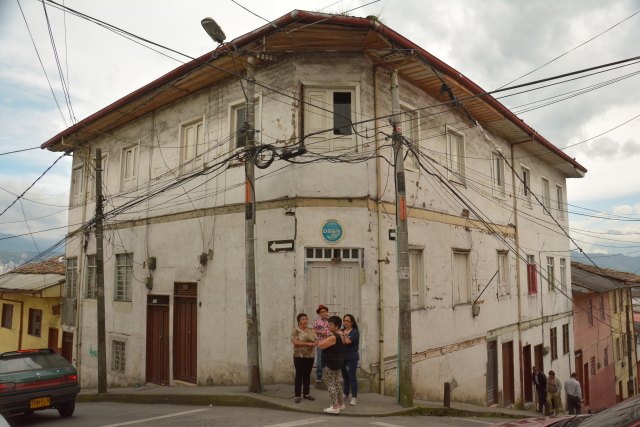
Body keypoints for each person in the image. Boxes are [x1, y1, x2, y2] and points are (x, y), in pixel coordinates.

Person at [318, 315, 345, 414]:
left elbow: (320, 345)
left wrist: (322, 339)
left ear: (337, 326)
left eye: (330, 324)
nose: (328, 326)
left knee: (330, 384)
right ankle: (341, 404)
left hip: (329, 363)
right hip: (337, 362)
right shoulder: (342, 334)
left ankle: (335, 406)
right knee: (337, 383)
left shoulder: (334, 336)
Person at [291, 313, 317, 403]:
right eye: (303, 319)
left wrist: (314, 344)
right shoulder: (296, 330)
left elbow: (316, 340)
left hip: (310, 356)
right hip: (299, 356)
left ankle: (306, 394)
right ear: (299, 321)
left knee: (307, 375)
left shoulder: (311, 330)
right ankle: (297, 395)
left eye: (306, 319)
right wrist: (307, 344)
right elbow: (295, 342)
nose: (305, 320)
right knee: (299, 375)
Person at [340, 314, 360, 406]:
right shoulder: (342, 331)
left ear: (352, 322)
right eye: (344, 320)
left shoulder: (354, 332)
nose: (346, 322)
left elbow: (346, 342)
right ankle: (346, 394)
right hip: (342, 357)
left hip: (351, 357)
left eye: (348, 321)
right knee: (345, 377)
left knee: (352, 377)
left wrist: (340, 336)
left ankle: (354, 397)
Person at [312, 304, 331, 383]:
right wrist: (320, 332)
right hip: (320, 343)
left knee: (328, 359)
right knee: (320, 360)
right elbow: (312, 331)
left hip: (329, 343)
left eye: (325, 311)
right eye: (321, 312)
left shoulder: (329, 321)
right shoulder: (317, 322)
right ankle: (319, 376)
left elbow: (333, 329)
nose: (323, 313)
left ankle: (327, 376)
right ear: (319, 313)